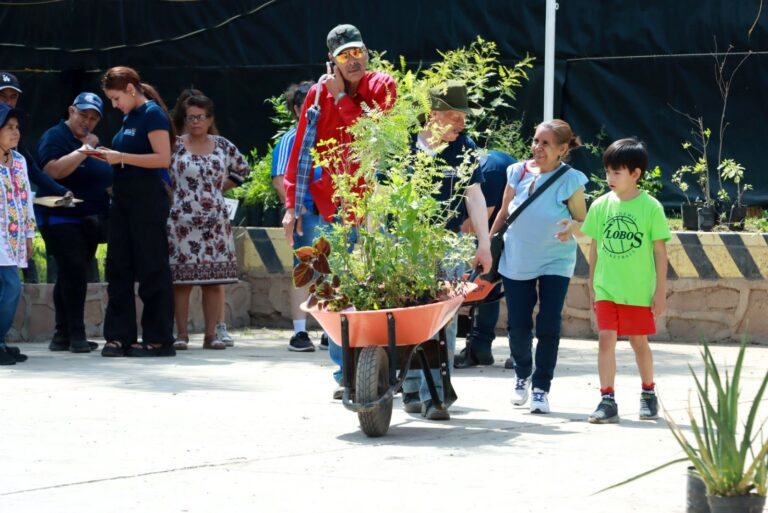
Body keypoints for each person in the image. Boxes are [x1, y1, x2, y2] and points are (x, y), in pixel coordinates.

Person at [282, 24, 396, 394]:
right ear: (332, 60)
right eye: (345, 55)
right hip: (332, 210)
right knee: (333, 290)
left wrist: (343, 101)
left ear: (368, 52)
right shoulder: (316, 94)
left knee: (383, 287)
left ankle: (386, 369)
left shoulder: (382, 85)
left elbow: (375, 137)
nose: (354, 60)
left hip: (378, 207)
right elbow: (301, 150)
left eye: (358, 52)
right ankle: (345, 375)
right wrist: (291, 207)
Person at [401, 81, 492, 420]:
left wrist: (483, 243)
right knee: (410, 312)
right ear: (433, 115)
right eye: (454, 116)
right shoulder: (404, 145)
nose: (461, 124)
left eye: (463, 117)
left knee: (447, 315)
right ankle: (410, 385)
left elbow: (475, 196)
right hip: (408, 241)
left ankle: (436, 395)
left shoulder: (464, 146)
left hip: (450, 241)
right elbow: (381, 196)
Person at [489, 119, 588, 414]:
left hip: (555, 259)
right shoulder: (516, 171)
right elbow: (504, 212)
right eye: (535, 141)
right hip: (517, 257)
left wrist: (572, 228)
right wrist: (487, 245)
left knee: (549, 322)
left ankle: (542, 387)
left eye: (545, 143)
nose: (537, 148)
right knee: (518, 326)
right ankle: (522, 374)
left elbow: (584, 224)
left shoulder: (571, 179)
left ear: (562, 149)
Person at [574, 138, 669, 423]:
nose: (609, 178)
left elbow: (660, 252)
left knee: (639, 342)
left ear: (635, 174)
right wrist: (592, 285)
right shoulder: (600, 206)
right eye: (607, 172)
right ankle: (607, 399)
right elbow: (594, 247)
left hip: (638, 290)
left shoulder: (651, 208)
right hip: (607, 289)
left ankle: (648, 393)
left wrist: (660, 291)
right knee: (605, 340)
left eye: (617, 172)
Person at [96, 66, 176, 357]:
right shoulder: (129, 117)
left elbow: (162, 158)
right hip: (123, 200)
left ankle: (158, 338)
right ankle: (120, 336)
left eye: (117, 98)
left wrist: (120, 157)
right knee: (118, 266)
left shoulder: (152, 114)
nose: (115, 106)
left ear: (131, 89)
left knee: (152, 267)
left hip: (147, 201)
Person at [167, 93, 250, 350]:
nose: (195, 122)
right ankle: (181, 334)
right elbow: (160, 174)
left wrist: (217, 190)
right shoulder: (175, 145)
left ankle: (211, 335)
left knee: (213, 282)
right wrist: (174, 196)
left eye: (200, 117)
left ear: (210, 118)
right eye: (190, 117)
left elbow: (243, 170)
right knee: (182, 283)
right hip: (182, 222)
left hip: (214, 221)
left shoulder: (223, 145)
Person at [36, 92, 113, 353]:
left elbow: (105, 177)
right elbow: (51, 172)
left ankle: (61, 336)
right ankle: (77, 335)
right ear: (71, 111)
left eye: (93, 118)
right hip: (59, 217)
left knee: (70, 275)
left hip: (90, 220)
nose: (87, 122)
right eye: (83, 115)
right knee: (75, 272)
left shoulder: (94, 144)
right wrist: (84, 150)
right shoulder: (55, 137)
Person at [0, 71, 72, 284]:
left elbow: (30, 169)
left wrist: (61, 192)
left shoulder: (13, 143)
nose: (8, 102)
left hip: (12, 228)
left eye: (13, 97)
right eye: (3, 96)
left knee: (14, 286)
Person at [271, 81, 324, 352]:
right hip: (307, 215)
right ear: (296, 108)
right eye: (307, 103)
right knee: (304, 271)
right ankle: (300, 333)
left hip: (331, 215)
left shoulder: (330, 135)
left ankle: (331, 329)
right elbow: (280, 180)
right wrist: (296, 209)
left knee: (334, 270)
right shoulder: (291, 139)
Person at [454, 149, 516, 369]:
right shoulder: (484, 161)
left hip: (506, 233)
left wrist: (447, 225)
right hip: (502, 232)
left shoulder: (487, 171)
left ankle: (515, 350)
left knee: (495, 287)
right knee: (489, 288)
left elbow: (479, 220)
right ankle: (481, 347)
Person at [0, 103, 35, 365]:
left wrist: (29, 236)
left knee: (10, 287)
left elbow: (26, 201)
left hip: (15, 237)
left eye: (17, 128)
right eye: (9, 127)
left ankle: (1, 341)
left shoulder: (19, 160)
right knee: (11, 285)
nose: (16, 133)